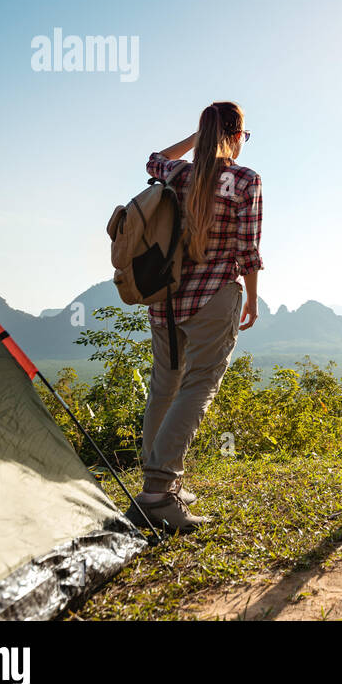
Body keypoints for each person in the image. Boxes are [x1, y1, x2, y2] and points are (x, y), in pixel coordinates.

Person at [130, 101, 263, 533]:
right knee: (198, 386)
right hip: (214, 296)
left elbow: (155, 160)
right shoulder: (245, 180)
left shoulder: (181, 173)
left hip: (166, 299)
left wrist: (197, 139)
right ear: (238, 134)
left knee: (164, 386)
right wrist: (252, 300)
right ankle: (158, 491)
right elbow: (248, 252)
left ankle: (159, 480)